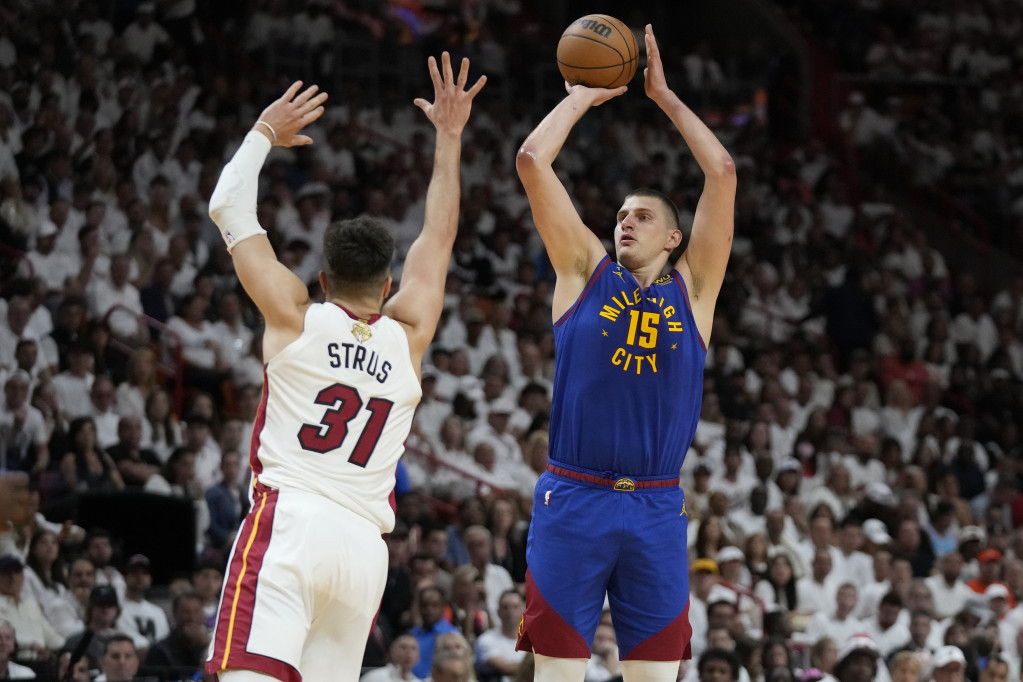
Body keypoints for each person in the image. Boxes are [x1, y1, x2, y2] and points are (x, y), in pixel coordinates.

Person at [203, 54, 486, 682]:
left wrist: (264, 132)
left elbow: (227, 205)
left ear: (323, 279)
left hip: (292, 523)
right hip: (362, 551)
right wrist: (449, 136)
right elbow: (438, 236)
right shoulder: (409, 335)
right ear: (388, 285)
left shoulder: (294, 315)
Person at [513, 24, 736, 682]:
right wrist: (582, 96)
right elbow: (532, 160)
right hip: (573, 497)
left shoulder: (695, 291)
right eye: (620, 215)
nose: (625, 221)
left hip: (656, 508)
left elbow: (722, 172)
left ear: (674, 237)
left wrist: (664, 97)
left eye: (642, 215)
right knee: (556, 675)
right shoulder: (584, 270)